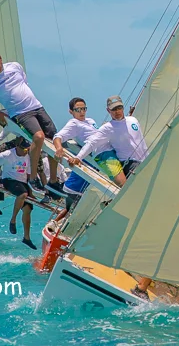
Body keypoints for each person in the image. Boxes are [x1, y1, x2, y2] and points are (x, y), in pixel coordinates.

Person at [66, 95, 151, 299]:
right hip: (130, 164)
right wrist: (77, 158)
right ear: (108, 110)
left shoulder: (133, 120)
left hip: (148, 161)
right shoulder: (107, 128)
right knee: (139, 202)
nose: (117, 111)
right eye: (113, 109)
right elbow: (92, 143)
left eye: (119, 108)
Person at [0, 49, 60, 195]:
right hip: (20, 113)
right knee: (39, 137)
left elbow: (24, 81)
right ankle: (32, 178)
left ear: (0, 58)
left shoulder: (15, 66)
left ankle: (54, 181)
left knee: (54, 139)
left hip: (37, 106)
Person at [0, 138, 37, 249]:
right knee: (22, 194)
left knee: (28, 210)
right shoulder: (8, 154)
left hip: (22, 183)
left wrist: (31, 192)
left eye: (26, 148)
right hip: (9, 180)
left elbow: (28, 177)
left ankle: (26, 238)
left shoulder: (28, 157)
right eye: (23, 148)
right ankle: (13, 220)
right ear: (17, 146)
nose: (25, 150)